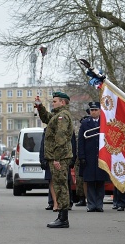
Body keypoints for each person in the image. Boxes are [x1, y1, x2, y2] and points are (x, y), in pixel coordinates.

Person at [36, 91, 74, 228]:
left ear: (62, 102)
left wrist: (57, 158)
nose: (53, 103)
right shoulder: (58, 115)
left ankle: (63, 219)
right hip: (59, 157)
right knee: (59, 186)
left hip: (60, 157)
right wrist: (40, 107)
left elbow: (61, 138)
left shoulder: (62, 116)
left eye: (55, 101)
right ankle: (61, 216)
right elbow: (47, 118)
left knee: (61, 186)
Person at [78, 101, 110, 212]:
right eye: (92, 110)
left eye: (96, 110)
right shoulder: (85, 124)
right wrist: (81, 156)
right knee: (90, 182)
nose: (94, 112)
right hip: (89, 157)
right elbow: (81, 142)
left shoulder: (105, 122)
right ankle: (91, 205)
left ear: (100, 111)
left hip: (102, 156)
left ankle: (99, 205)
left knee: (100, 182)